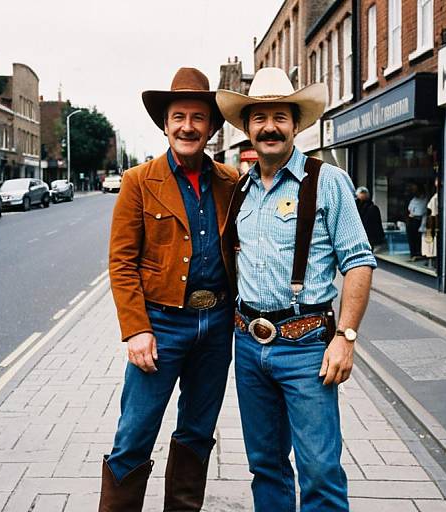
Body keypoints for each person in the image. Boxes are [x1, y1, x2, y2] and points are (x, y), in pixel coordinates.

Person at [217, 67, 377, 511]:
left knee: (320, 470)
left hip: (307, 345)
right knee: (265, 465)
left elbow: (360, 262)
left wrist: (345, 338)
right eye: (259, 118)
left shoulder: (327, 181)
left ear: (295, 125)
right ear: (247, 127)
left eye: (279, 117)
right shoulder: (241, 189)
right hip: (249, 345)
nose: (269, 126)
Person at [100, 68, 239, 511]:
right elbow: (121, 262)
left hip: (216, 326)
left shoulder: (231, 181)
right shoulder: (138, 181)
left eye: (198, 118)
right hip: (160, 326)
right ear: (165, 124)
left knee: (198, 433)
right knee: (135, 434)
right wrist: (136, 329)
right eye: (179, 116)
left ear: (212, 128)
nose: (187, 126)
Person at [406, 183, 427, 261]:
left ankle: (418, 254)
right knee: (411, 238)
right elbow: (409, 208)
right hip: (411, 220)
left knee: (417, 238)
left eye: (415, 190)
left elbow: (420, 211)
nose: (414, 192)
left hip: (418, 220)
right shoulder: (413, 199)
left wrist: (413, 213)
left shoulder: (424, 199)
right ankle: (413, 254)